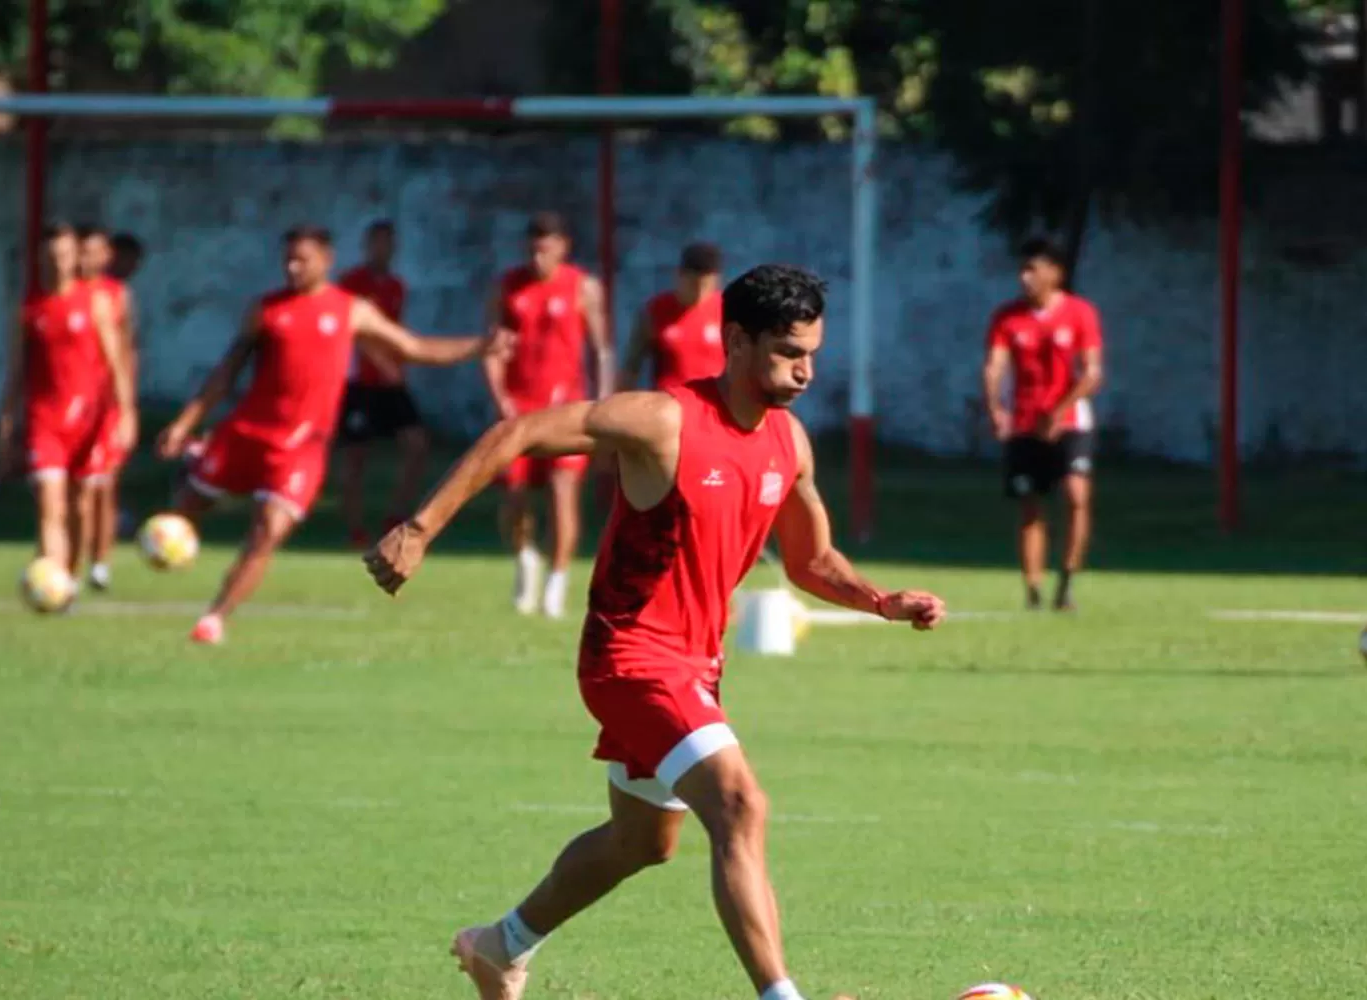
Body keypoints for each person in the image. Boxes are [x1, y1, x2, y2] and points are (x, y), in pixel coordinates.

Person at [366, 264, 947, 1000]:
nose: (805, 371)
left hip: (696, 667)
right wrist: (418, 530)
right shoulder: (663, 421)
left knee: (642, 842)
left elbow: (811, 558)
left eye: (813, 355)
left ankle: (499, 946)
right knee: (740, 803)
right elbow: (519, 432)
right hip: (630, 658)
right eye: (788, 352)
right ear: (735, 341)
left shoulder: (787, 442)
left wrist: (882, 601)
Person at [155, 225, 492, 645]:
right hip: (245, 432)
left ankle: (215, 618)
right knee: (186, 508)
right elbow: (227, 371)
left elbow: (413, 348)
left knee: (267, 532)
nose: (294, 267)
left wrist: (479, 346)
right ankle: (135, 555)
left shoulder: (350, 309)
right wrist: (186, 422)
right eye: (288, 259)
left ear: (327, 260)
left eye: (303, 259)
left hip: (300, 448)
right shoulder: (266, 310)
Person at [0, 223, 137, 591]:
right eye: (51, 256)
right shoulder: (30, 310)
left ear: (75, 258)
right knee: (49, 506)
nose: (58, 263)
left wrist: (126, 412)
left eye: (64, 255)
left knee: (81, 507)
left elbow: (116, 362)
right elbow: (15, 373)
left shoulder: (96, 302)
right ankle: (52, 585)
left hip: (89, 421)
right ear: (41, 259)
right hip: (46, 422)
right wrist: (8, 426)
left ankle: (70, 578)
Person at [484, 211, 611, 618]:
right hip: (519, 411)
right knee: (514, 497)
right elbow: (492, 346)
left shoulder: (583, 287)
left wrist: (603, 401)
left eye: (547, 247)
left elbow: (601, 348)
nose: (539, 256)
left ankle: (557, 583)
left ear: (563, 247)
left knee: (562, 491)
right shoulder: (507, 287)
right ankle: (526, 558)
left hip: (568, 410)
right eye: (533, 247)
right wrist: (500, 395)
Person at [982, 237, 1105, 611]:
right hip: (1025, 422)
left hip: (1070, 420)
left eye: (1032, 269)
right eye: (1022, 270)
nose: (1025, 277)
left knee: (1076, 496)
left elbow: (1092, 373)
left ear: (1056, 273)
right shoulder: (1008, 317)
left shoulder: (1080, 313)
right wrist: (995, 408)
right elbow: (994, 365)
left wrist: (1060, 409)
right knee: (1030, 505)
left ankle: (1066, 581)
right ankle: (1033, 590)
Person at [335, 220, 427, 547]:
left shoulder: (396, 286)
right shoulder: (351, 283)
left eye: (388, 243)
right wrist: (383, 362)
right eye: (376, 243)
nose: (382, 249)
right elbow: (356, 333)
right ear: (366, 245)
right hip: (360, 384)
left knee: (417, 445)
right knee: (356, 456)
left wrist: (402, 361)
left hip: (392, 384)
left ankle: (395, 516)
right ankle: (355, 529)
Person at [76, 225, 141, 592]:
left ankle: (100, 563)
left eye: (96, 251)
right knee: (75, 492)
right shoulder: (60, 295)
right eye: (83, 250)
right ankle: (68, 561)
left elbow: (126, 349)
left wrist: (126, 402)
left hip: (106, 405)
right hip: (68, 406)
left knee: (103, 486)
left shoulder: (117, 295)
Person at [620, 241, 725, 391]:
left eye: (706, 285)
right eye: (693, 284)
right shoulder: (655, 311)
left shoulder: (727, 311)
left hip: (713, 406)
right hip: (669, 405)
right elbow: (630, 368)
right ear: (679, 276)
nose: (699, 291)